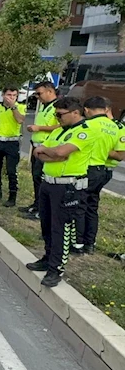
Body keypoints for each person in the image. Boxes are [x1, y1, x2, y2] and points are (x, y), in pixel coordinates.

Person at [26, 97, 95, 287]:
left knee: (60, 229)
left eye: (60, 114)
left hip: (67, 187)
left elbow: (59, 153)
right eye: (55, 114)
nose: (57, 118)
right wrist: (49, 153)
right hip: (48, 183)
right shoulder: (58, 131)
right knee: (46, 224)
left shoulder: (83, 133)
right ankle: (48, 258)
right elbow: (38, 152)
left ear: (75, 112)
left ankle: (56, 268)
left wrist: (49, 152)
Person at [77, 96, 120, 254]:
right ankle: (90, 243)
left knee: (80, 205)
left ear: (87, 110)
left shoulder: (87, 125)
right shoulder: (114, 127)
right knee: (92, 206)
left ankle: (78, 243)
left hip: (86, 168)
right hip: (101, 169)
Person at [20, 82, 60, 219]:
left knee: (42, 180)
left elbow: (60, 126)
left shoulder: (58, 107)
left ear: (50, 91)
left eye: (39, 93)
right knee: (36, 178)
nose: (37, 97)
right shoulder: (44, 106)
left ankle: (42, 210)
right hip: (37, 147)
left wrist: (39, 128)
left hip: (47, 148)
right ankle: (37, 204)